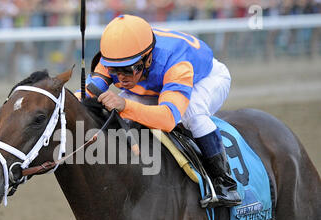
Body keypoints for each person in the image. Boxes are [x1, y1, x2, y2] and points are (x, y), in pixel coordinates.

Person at [80, 14, 241, 208]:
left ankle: (224, 182)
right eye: (114, 70)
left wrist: (125, 105)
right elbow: (88, 92)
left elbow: (168, 119)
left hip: (205, 78)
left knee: (192, 115)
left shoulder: (177, 64)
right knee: (120, 110)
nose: (121, 78)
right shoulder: (115, 56)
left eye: (129, 69)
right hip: (155, 83)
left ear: (147, 59)